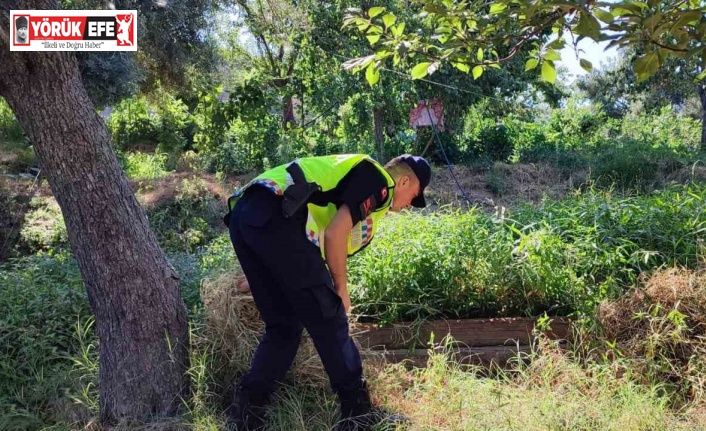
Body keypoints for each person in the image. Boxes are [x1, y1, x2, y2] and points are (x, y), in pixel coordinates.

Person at [224, 153, 431, 430]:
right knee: (330, 318)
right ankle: (358, 414)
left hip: (246, 216)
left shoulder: (347, 176)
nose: (408, 206)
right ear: (405, 181)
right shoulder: (378, 180)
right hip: (275, 218)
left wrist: (260, 275)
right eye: (414, 198)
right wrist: (341, 289)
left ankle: (245, 412)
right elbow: (335, 234)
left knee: (284, 327)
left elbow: (303, 248)